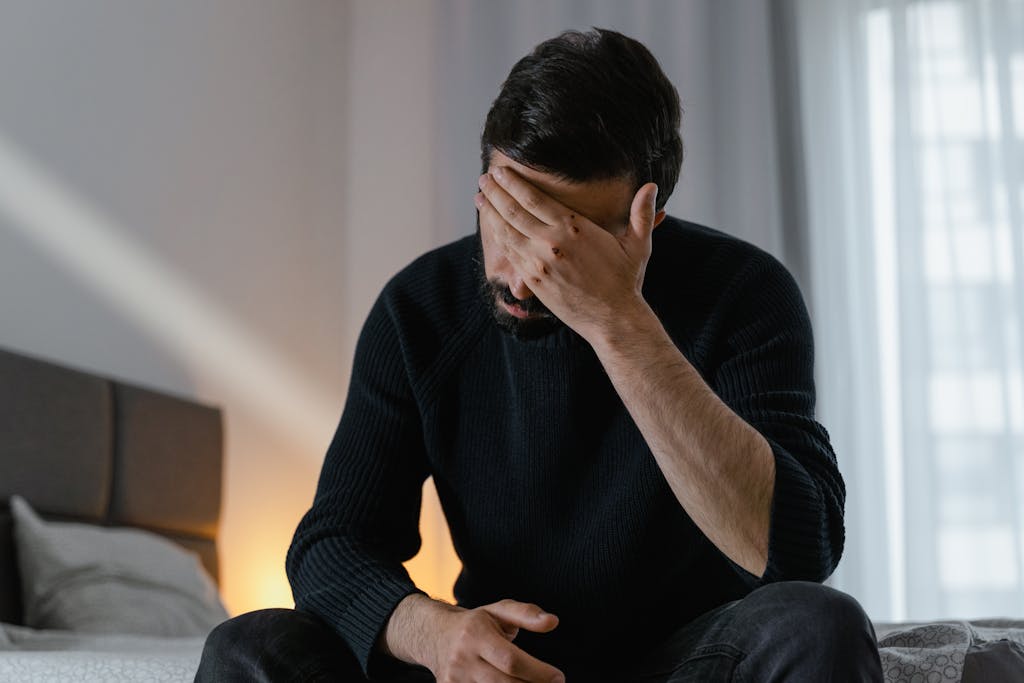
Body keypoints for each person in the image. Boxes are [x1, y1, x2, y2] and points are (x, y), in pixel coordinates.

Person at [196, 28, 883, 682]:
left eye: (568, 240)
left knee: (816, 624)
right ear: (484, 180)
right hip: (502, 662)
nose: (525, 276)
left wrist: (618, 321)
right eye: (512, 215)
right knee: (251, 647)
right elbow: (332, 545)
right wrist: (435, 632)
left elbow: (798, 552)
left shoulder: (744, 292)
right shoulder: (418, 310)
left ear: (647, 219)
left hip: (684, 661)